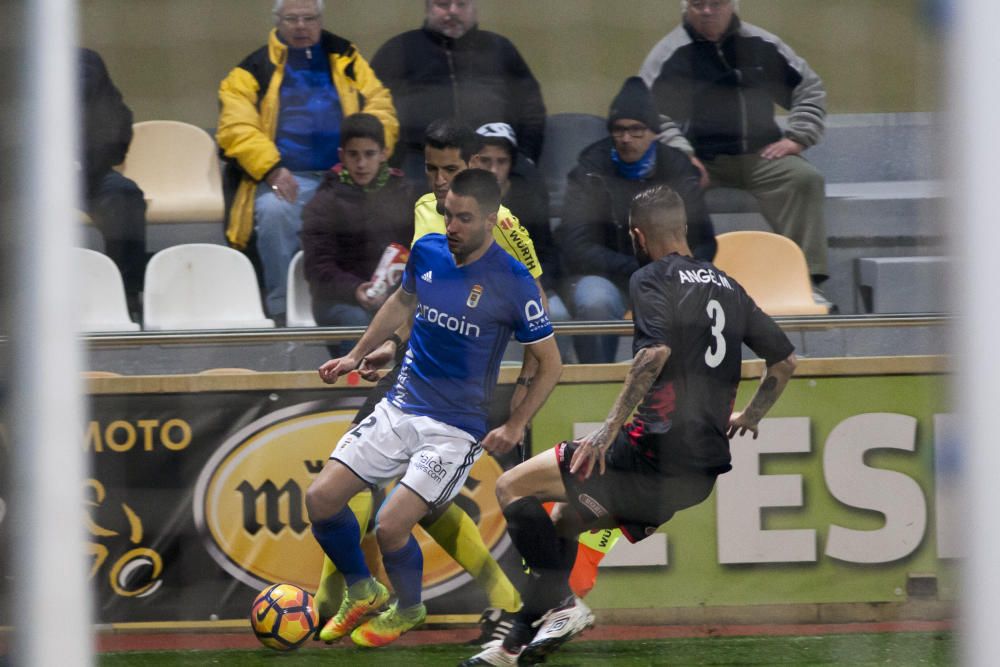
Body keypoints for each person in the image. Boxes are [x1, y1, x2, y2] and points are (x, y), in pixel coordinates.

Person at [461, 185, 797, 666]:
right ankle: (515, 644)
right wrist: (751, 416)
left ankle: (562, 606)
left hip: (647, 451)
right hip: (695, 478)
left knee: (512, 488)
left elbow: (653, 353)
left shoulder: (651, 278)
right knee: (562, 523)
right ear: (683, 228)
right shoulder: (728, 284)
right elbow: (784, 362)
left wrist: (608, 428)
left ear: (639, 235)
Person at [310, 118, 552, 648]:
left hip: (455, 423)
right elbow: (406, 299)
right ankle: (360, 590)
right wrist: (362, 353)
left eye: (462, 213)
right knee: (322, 498)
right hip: (402, 396)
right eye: (435, 177)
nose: (449, 214)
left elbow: (544, 343)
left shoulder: (510, 257)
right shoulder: (429, 238)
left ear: (487, 212)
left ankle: (419, 604)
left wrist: (515, 419)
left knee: (395, 523)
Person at [640, 0, 831, 307]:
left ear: (732, 5)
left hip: (761, 156)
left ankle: (805, 282)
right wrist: (682, 155)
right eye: (698, 4)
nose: (707, 11)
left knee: (805, 180)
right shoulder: (669, 54)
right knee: (668, 194)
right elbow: (650, 114)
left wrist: (798, 137)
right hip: (700, 160)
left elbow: (808, 89)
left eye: (716, 3)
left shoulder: (761, 45)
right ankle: (681, 284)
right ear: (685, 8)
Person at [217, 0, 398, 321]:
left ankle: (370, 297)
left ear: (320, 20)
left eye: (309, 18)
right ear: (278, 22)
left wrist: (367, 153)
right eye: (292, 19)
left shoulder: (347, 58)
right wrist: (271, 168)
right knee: (274, 212)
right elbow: (236, 127)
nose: (301, 26)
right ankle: (284, 307)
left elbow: (380, 104)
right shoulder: (251, 70)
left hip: (348, 172)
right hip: (288, 176)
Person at [555, 77, 716, 364]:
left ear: (653, 132)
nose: (626, 138)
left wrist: (677, 270)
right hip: (607, 277)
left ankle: (686, 383)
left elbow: (704, 241)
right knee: (595, 302)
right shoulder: (589, 172)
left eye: (636, 130)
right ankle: (596, 381)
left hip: (667, 277)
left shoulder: (678, 170)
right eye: (619, 130)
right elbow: (575, 244)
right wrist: (637, 268)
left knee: (701, 297)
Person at [371, 0, 546, 181]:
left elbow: (531, 108)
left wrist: (525, 155)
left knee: (528, 181)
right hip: (420, 161)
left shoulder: (500, 49)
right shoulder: (398, 50)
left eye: (461, 4)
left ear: (474, 8)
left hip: (492, 158)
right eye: (443, 4)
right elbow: (373, 110)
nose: (453, 11)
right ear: (428, 8)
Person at [300, 113, 416, 343]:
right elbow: (318, 268)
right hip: (340, 301)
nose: (361, 164)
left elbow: (419, 249)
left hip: (397, 296)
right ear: (341, 155)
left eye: (369, 154)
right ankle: (359, 378)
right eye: (353, 155)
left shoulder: (406, 195)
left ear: (384, 153)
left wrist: (397, 292)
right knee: (358, 324)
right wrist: (355, 289)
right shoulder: (324, 202)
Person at [471, 122, 572, 359]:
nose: (493, 170)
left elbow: (548, 255)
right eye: (486, 161)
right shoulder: (462, 198)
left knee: (558, 315)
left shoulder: (529, 198)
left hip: (525, 285)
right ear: (473, 162)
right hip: (474, 287)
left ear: (512, 164)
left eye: (501, 161)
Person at [78, 47, 147, 314]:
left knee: (124, 195)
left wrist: (82, 164)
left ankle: (125, 293)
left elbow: (116, 121)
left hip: (85, 172)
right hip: (18, 178)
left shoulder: (86, 63)